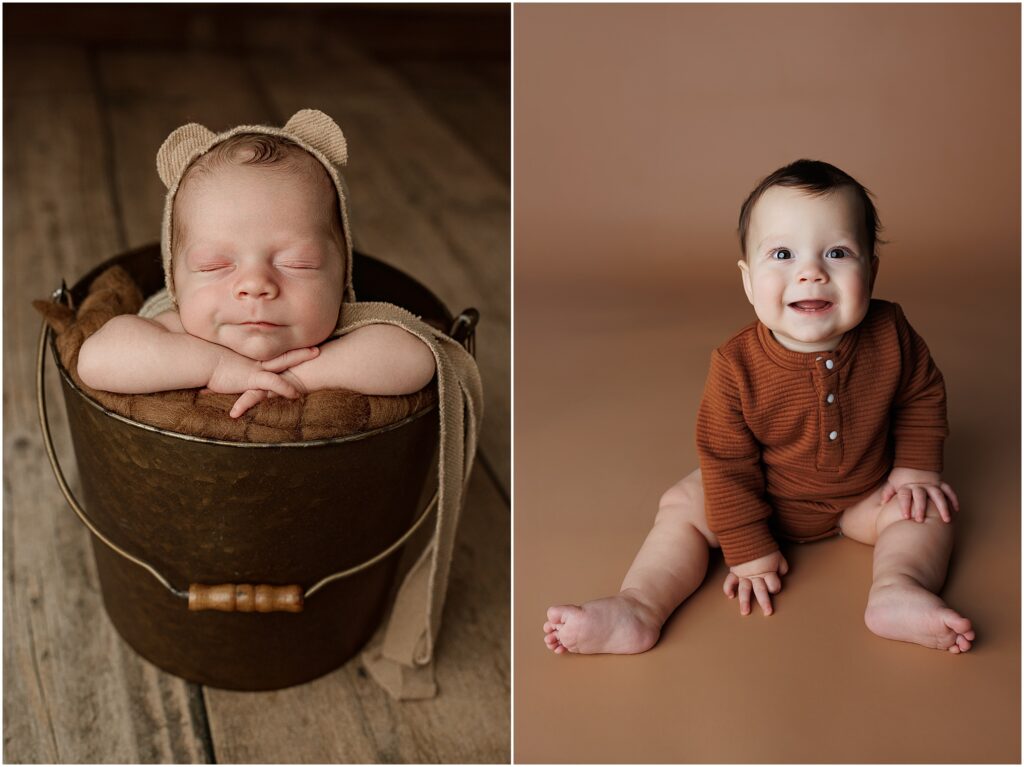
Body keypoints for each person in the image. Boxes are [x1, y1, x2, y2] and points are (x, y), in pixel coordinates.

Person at [543, 159, 974, 656]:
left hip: (863, 494)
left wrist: (916, 469)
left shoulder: (891, 332)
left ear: (871, 270)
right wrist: (747, 546)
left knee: (929, 510)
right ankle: (638, 607)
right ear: (748, 282)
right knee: (682, 506)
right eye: (783, 254)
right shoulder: (736, 365)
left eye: (836, 252)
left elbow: (921, 392)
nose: (810, 273)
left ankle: (897, 590)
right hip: (761, 496)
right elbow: (725, 462)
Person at [78, 117, 436, 417]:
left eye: (298, 263)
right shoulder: (175, 328)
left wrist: (295, 377)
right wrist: (217, 366)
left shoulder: (343, 328)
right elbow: (96, 359)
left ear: (342, 274)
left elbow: (416, 357)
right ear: (174, 278)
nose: (255, 284)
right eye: (214, 265)